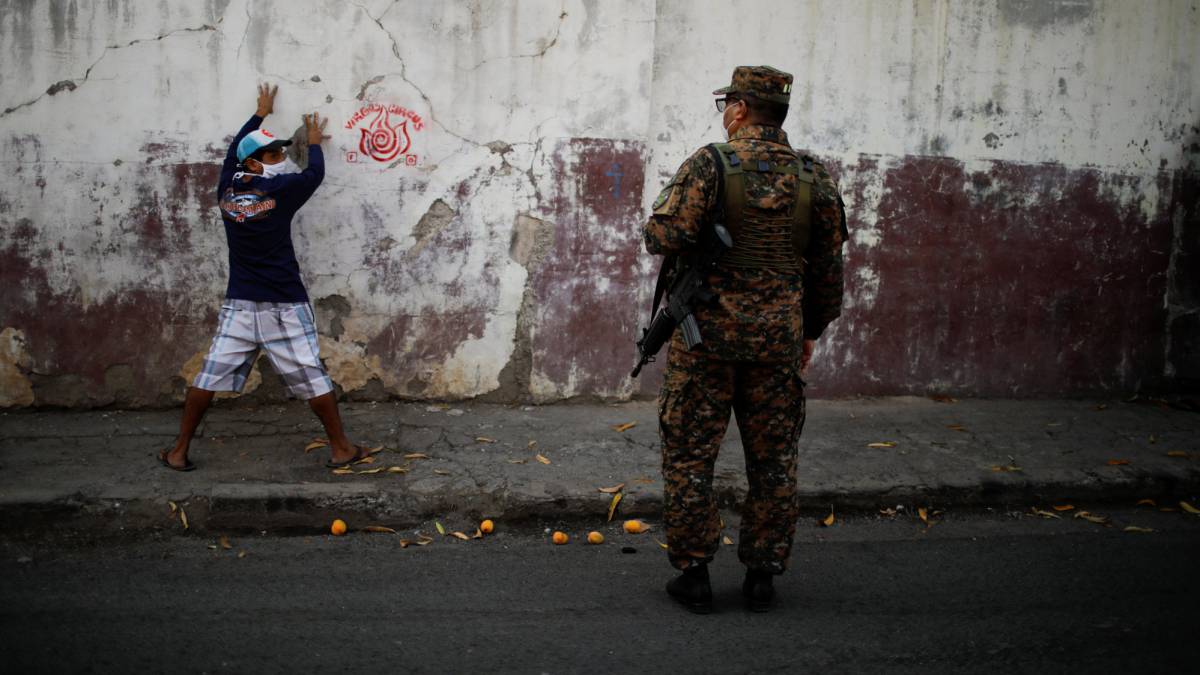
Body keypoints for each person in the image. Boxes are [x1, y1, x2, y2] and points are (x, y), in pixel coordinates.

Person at [643, 65, 847, 612]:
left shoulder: (710, 165)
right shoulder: (814, 177)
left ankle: (695, 574)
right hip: (777, 345)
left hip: (705, 343)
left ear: (737, 108)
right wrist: (810, 331)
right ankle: (762, 575)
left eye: (726, 105)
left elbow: (661, 234)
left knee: (689, 458)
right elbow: (829, 274)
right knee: (774, 461)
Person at [157, 83, 370, 471]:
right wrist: (316, 142)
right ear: (254, 164)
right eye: (273, 153)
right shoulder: (281, 189)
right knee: (310, 374)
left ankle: (179, 450)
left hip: (240, 302)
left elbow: (232, 150)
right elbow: (314, 175)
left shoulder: (226, 187)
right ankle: (341, 448)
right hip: (284, 302)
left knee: (209, 374)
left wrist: (260, 113)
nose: (281, 157)